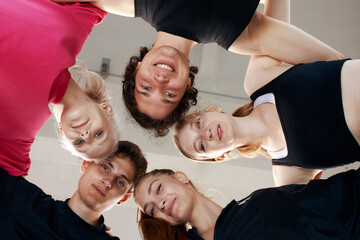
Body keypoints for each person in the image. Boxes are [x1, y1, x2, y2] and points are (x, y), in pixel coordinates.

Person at [57, 0, 344, 136]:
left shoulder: (126, 2)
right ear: (186, 89)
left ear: (136, 69)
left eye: (146, 88)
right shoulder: (239, 34)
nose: (160, 81)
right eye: (169, 95)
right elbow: (340, 66)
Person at [173, 0, 360, 186]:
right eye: (202, 145)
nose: (206, 134)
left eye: (198, 123)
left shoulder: (259, 80)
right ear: (220, 157)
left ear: (212, 110)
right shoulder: (287, 175)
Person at [0, 0, 120, 177]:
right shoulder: (78, 26)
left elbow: (11, 189)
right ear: (106, 110)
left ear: (63, 132)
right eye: (98, 133)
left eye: (79, 143)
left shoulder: (20, 132)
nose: (85, 134)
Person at [134, 168, 360, 240]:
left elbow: (337, 204)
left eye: (158, 189)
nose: (159, 204)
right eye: (152, 209)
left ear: (180, 177)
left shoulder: (262, 202)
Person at [0, 141, 148, 240]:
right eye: (105, 167)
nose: (108, 182)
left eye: (120, 181)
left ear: (123, 198)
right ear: (86, 164)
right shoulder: (22, 198)